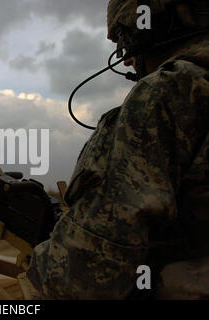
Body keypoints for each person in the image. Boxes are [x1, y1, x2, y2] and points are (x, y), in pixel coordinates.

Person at [26, 0, 209, 299]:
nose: (126, 60)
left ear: (154, 27)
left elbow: (83, 279)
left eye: (126, 39)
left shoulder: (163, 96)